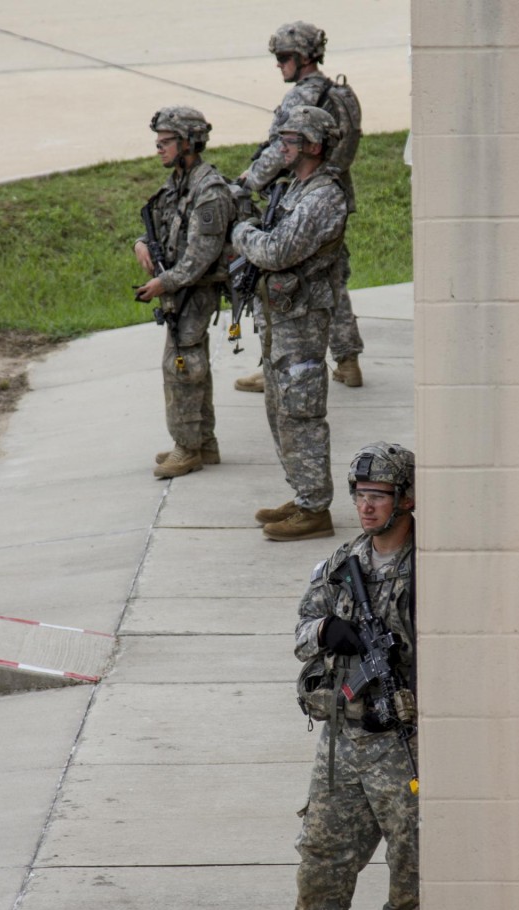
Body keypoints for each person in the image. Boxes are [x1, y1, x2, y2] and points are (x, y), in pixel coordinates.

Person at [266, 442, 420, 910]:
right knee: (322, 857)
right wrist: (327, 630)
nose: (366, 507)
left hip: (404, 741)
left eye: (377, 496)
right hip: (342, 742)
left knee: (411, 864)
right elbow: (302, 628)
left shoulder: (428, 569)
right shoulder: (342, 563)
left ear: (406, 499)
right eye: (359, 496)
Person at [231, 105, 346, 542]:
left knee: (302, 413)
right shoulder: (296, 189)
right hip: (282, 320)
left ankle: (316, 509)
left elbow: (277, 251)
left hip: (302, 323)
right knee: (280, 411)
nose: (281, 146)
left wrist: (240, 232)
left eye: (290, 139)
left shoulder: (322, 196)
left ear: (314, 146)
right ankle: (303, 494)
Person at [234, 20, 364, 395]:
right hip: (337, 192)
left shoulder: (300, 98)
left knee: (294, 280)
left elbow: (280, 149)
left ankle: (276, 360)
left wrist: (249, 181)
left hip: (306, 196)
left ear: (302, 57)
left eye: (283, 58)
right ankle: (348, 358)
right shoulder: (341, 91)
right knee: (332, 278)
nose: (279, 65)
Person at [134, 107, 234, 478]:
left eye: (166, 142)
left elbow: (200, 257)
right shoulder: (178, 181)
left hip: (195, 289)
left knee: (181, 367)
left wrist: (165, 283)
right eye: (157, 141)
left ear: (188, 143)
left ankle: (187, 447)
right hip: (180, 285)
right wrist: (142, 242)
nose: (158, 148)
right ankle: (203, 442)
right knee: (192, 364)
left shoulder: (208, 190)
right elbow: (160, 220)